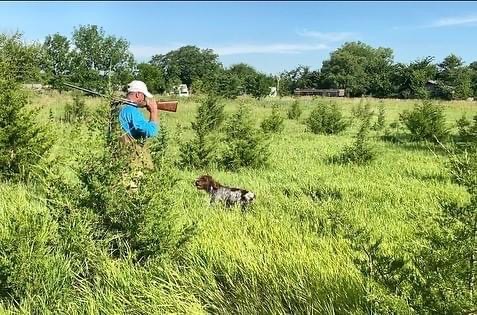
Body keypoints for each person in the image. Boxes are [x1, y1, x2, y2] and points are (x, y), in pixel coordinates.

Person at [118, 80, 159, 174]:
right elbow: (150, 131)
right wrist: (153, 111)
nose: (145, 100)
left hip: (117, 155)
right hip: (130, 159)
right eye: (144, 97)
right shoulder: (132, 111)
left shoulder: (118, 107)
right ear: (138, 95)